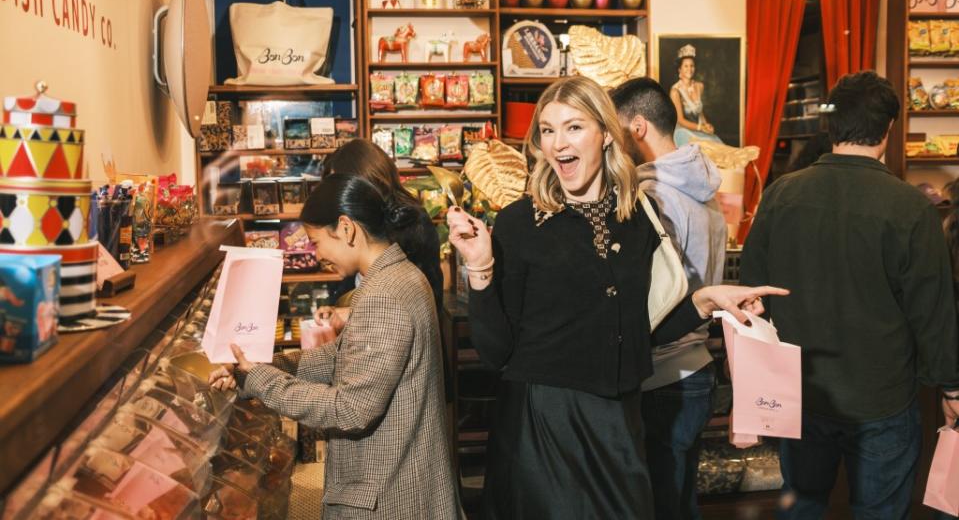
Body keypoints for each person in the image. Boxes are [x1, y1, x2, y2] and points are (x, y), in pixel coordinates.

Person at [447, 75, 788, 519]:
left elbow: (635, 332)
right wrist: (481, 267)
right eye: (547, 130)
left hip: (620, 421)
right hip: (546, 425)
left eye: (573, 127)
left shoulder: (637, 216)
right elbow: (495, 353)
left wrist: (705, 300)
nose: (557, 143)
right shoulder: (519, 223)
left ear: (605, 133)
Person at [739, 71, 959, 519]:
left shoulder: (780, 195)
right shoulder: (911, 208)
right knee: (878, 511)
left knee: (800, 504)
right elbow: (933, 312)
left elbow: (751, 296)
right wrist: (951, 386)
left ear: (831, 127)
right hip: (883, 396)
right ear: (888, 130)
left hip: (801, 389)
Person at [209, 173, 462, 519]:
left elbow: (351, 409)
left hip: (386, 497)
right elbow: (342, 355)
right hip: (403, 484)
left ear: (346, 228)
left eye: (315, 242)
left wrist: (262, 382)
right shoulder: (400, 276)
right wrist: (264, 366)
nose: (315, 255)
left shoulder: (383, 295)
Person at [612, 77, 727, 520]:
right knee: (680, 501)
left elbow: (653, 294)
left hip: (663, 374)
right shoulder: (704, 187)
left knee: (660, 505)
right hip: (698, 365)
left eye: (614, 127)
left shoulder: (653, 196)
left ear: (637, 127)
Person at [322, 138, 443, 314]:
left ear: (364, 180)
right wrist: (336, 310)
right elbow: (351, 284)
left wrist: (351, 315)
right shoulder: (353, 220)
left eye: (340, 186)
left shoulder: (411, 221)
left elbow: (410, 302)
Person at [669, 44, 722, 147]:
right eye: (686, 66)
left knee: (717, 147)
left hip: (698, 129)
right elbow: (680, 120)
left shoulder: (699, 86)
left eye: (692, 65)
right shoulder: (675, 91)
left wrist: (706, 125)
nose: (690, 69)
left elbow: (699, 112)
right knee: (704, 150)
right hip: (683, 132)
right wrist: (700, 127)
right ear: (679, 69)